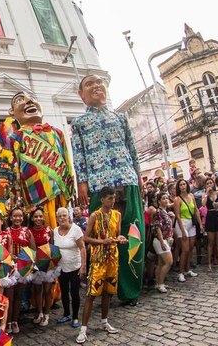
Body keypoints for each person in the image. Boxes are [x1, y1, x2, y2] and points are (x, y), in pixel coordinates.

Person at [71, 74, 144, 305]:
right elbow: (78, 155)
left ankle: (130, 290)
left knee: (132, 235)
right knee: (101, 238)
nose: (96, 86)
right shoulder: (79, 123)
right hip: (98, 185)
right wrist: (81, 182)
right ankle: (104, 286)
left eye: (99, 82)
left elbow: (132, 149)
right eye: (89, 84)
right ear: (81, 94)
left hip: (127, 180)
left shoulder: (120, 117)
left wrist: (139, 176)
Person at [0, 91, 74, 228]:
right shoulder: (16, 137)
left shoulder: (57, 132)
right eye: (20, 99)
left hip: (61, 190)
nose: (29, 100)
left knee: (65, 229)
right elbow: (9, 165)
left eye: (32, 98)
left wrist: (72, 185)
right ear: (12, 112)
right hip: (36, 194)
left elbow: (67, 160)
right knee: (43, 231)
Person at [76, 187, 127, 344]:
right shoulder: (94, 216)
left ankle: (105, 322)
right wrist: (102, 242)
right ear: (102, 199)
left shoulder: (117, 215)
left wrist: (120, 238)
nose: (113, 201)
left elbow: (116, 235)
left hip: (112, 258)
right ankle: (83, 329)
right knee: (91, 294)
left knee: (108, 292)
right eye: (110, 198)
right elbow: (85, 238)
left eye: (114, 198)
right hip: (98, 260)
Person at [53, 207, 86, 328]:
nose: (62, 218)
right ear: (57, 218)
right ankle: (67, 313)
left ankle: (76, 317)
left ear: (69, 217)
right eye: (59, 216)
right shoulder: (55, 231)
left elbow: (82, 248)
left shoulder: (76, 230)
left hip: (75, 266)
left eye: (64, 215)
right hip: (61, 267)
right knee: (64, 291)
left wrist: (83, 266)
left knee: (74, 292)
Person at [7, 207, 34, 334]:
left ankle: (15, 321)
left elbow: (33, 250)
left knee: (19, 296)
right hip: (10, 267)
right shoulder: (6, 231)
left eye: (20, 216)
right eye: (15, 216)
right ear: (11, 217)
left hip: (23, 266)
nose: (17, 218)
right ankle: (7, 321)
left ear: (23, 218)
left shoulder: (27, 231)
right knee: (9, 296)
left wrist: (27, 260)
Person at [173, 178, 203, 282]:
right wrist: (182, 230)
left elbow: (196, 211)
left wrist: (200, 224)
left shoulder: (191, 196)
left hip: (191, 223)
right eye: (180, 185)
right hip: (182, 223)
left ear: (187, 185)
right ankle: (180, 272)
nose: (183, 186)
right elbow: (177, 215)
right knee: (185, 250)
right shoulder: (177, 199)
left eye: (184, 184)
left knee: (190, 249)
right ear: (178, 187)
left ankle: (187, 269)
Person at [29, 208, 54, 326]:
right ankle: (39, 312)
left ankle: (47, 314)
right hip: (35, 263)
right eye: (36, 217)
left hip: (47, 263)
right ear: (32, 218)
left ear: (43, 217)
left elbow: (53, 246)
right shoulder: (29, 232)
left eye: (40, 216)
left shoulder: (49, 230)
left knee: (47, 290)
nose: (38, 219)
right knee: (37, 290)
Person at [147, 192, 174, 292]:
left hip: (166, 239)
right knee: (169, 261)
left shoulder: (165, 212)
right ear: (159, 201)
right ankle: (161, 283)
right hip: (159, 240)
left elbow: (168, 226)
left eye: (167, 198)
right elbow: (157, 228)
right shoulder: (158, 212)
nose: (166, 200)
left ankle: (158, 282)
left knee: (161, 263)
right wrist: (162, 242)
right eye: (163, 199)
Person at [203, 177, 218, 270]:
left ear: (213, 184)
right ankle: (209, 264)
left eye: (210, 183)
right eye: (207, 183)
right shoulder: (205, 195)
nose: (209, 185)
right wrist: (207, 194)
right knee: (211, 241)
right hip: (210, 216)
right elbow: (203, 204)